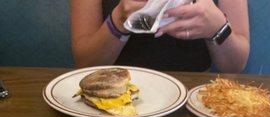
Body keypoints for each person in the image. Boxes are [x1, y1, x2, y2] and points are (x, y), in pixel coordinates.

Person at [71, 0, 249, 72]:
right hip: (114, 100)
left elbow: (235, 65)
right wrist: (120, 19)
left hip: (194, 103)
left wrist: (218, 28)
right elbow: (85, 63)